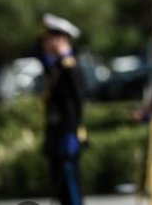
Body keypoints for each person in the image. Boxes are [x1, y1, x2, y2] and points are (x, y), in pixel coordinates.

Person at [39, 13, 85, 205]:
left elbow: (77, 101)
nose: (45, 43)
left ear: (60, 40)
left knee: (70, 187)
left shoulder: (69, 66)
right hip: (56, 134)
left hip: (67, 134)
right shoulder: (56, 66)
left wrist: (73, 131)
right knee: (61, 189)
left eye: (49, 39)